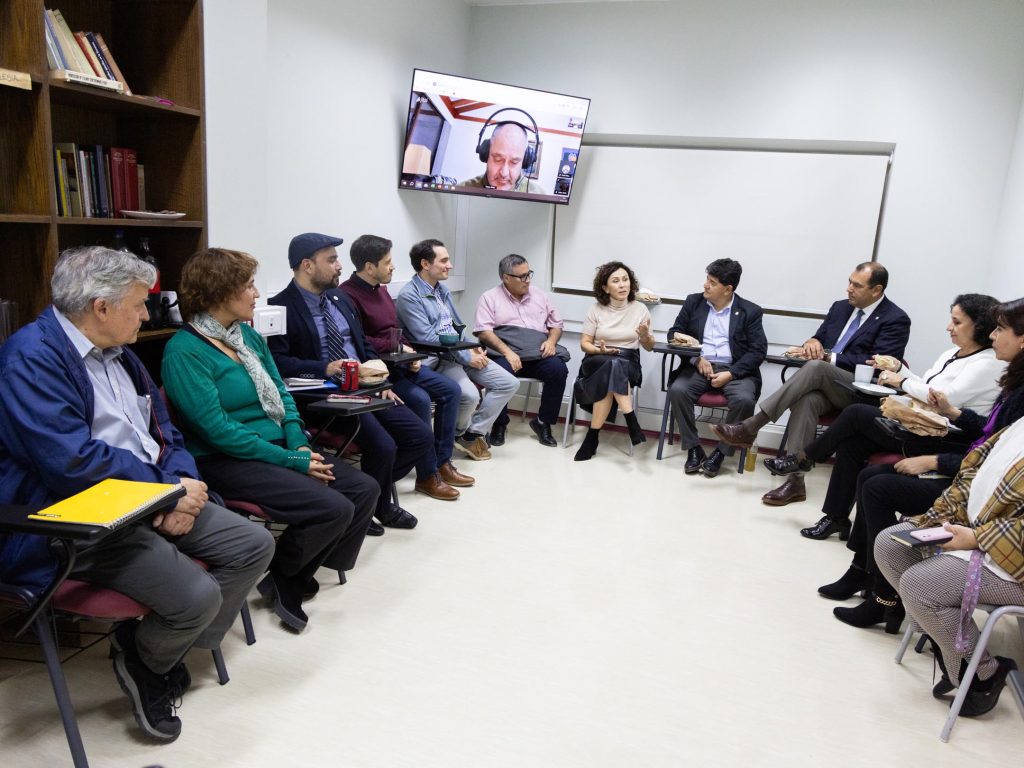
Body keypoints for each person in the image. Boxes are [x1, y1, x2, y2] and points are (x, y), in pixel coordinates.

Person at [0, 246, 274, 742]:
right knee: (196, 596)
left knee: (253, 545)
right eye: (140, 303)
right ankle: (148, 661)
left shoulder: (120, 352)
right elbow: (71, 463)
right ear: (101, 307)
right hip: (75, 518)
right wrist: (168, 492)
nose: (148, 314)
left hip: (148, 494)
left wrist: (181, 486)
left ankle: (151, 651)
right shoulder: (31, 359)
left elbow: (164, 431)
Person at [162, 247, 379, 634]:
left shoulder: (246, 336)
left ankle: (290, 571)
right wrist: (293, 461)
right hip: (225, 459)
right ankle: (286, 578)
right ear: (218, 292)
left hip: (278, 447)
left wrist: (299, 443)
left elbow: (281, 393)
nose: (257, 293)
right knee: (332, 507)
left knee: (363, 489)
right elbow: (217, 431)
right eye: (248, 286)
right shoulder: (184, 351)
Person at [821, 297, 1024, 631]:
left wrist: (936, 461)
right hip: (967, 468)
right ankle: (863, 574)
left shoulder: (1005, 380)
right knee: (870, 474)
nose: (993, 336)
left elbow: (996, 463)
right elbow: (988, 434)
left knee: (877, 484)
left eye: (1000, 329)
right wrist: (952, 412)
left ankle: (883, 597)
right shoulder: (1012, 382)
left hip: (976, 489)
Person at [766, 294, 1004, 540]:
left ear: (979, 327)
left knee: (856, 413)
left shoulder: (987, 363)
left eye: (957, 322)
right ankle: (835, 518)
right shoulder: (952, 353)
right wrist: (899, 369)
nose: (948, 327)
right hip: (918, 427)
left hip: (943, 439)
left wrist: (901, 381)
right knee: (851, 444)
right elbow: (925, 384)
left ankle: (805, 458)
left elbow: (944, 398)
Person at [267, 232, 431, 532]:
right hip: (327, 396)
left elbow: (362, 345)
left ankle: (369, 500)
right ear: (307, 265)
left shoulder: (339, 299)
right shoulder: (279, 308)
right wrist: (324, 368)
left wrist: (379, 376)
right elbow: (278, 362)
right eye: (331, 260)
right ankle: (377, 507)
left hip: (366, 386)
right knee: (383, 445)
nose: (340, 266)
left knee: (420, 435)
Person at [713, 262, 911, 505]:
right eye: (849, 282)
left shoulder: (896, 319)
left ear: (876, 290)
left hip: (861, 393)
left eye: (857, 285)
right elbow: (819, 338)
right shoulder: (840, 307)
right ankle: (795, 483)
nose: (849, 289)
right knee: (806, 400)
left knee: (817, 367)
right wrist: (812, 342)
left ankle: (752, 425)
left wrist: (829, 357)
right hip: (828, 387)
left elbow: (880, 364)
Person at [874, 416, 1024, 717]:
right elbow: (972, 474)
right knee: (890, 546)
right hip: (986, 535)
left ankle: (983, 675)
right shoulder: (1018, 426)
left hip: (1012, 559)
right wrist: (940, 518)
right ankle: (951, 651)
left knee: (920, 585)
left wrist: (978, 538)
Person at [340, 234, 471, 500]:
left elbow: (396, 331)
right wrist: (400, 349)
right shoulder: (347, 295)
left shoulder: (381, 290)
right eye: (388, 262)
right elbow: (360, 340)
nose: (393, 267)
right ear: (370, 267)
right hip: (378, 370)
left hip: (402, 364)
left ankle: (443, 462)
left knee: (451, 390)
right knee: (420, 400)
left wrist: (410, 353)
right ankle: (427, 475)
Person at [396, 238, 519, 461]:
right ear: (425, 264)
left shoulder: (442, 290)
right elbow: (429, 339)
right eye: (444, 261)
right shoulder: (409, 296)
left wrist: (474, 348)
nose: (450, 265)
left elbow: (456, 327)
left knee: (509, 383)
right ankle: (458, 434)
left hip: (459, 354)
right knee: (470, 396)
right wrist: (466, 356)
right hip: (438, 360)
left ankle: (470, 435)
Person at [666, 258, 767, 477]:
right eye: (707, 279)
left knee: (744, 400)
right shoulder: (693, 302)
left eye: (712, 282)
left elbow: (758, 351)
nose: (706, 285)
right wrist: (696, 358)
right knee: (678, 390)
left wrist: (731, 373)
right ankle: (693, 449)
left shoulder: (750, 311)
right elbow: (674, 334)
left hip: (735, 369)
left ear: (728, 289)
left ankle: (720, 453)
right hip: (700, 366)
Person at [474, 253, 569, 448]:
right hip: (505, 354)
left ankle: (543, 422)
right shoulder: (489, 298)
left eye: (529, 274)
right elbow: (484, 332)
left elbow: (556, 324)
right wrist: (508, 352)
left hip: (537, 354)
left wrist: (551, 341)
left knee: (558, 370)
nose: (528, 280)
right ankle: (499, 424)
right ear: (506, 277)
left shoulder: (540, 295)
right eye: (522, 276)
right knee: (499, 374)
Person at [574, 261, 656, 461]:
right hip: (596, 359)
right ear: (605, 287)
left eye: (625, 280)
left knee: (614, 368)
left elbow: (649, 346)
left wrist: (644, 336)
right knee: (612, 365)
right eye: (616, 281)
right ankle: (631, 421)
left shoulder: (641, 309)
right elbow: (584, 344)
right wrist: (599, 350)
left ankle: (592, 438)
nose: (622, 285)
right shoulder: (595, 309)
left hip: (629, 363)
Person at [456, 122, 547, 194]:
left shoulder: (540, 197)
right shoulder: (461, 191)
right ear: (486, 155)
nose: (504, 173)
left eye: (514, 162)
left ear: (525, 161)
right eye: (497, 159)